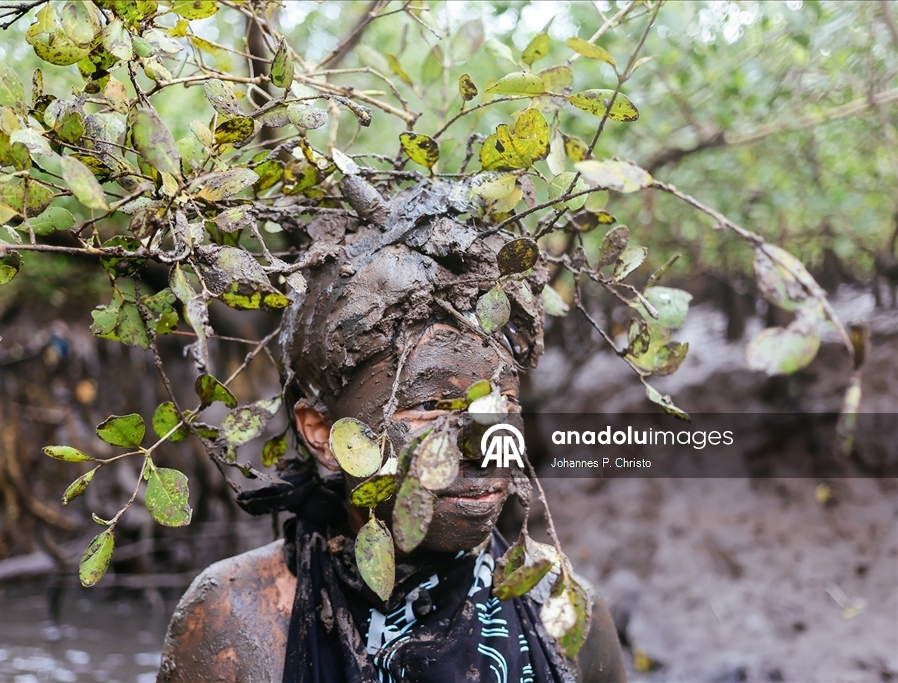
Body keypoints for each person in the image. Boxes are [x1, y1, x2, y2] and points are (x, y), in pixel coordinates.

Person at [158, 179, 626, 683]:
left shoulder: (563, 610)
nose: (487, 442)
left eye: (503, 400)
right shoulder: (235, 620)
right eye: (430, 406)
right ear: (323, 434)